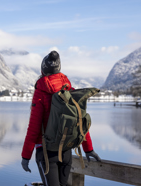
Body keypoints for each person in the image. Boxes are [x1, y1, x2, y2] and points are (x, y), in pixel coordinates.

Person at [21, 51, 101, 186]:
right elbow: (79, 123)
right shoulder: (69, 91)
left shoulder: (40, 93)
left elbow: (34, 129)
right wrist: (89, 149)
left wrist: (25, 156)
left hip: (46, 153)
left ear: (43, 69)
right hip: (66, 151)